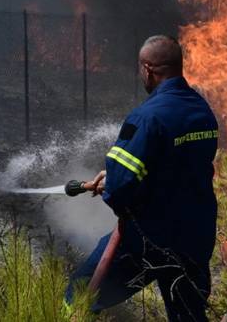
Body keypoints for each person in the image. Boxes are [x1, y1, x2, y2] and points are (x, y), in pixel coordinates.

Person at [66, 35, 219, 321]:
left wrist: (112, 186)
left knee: (79, 295)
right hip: (195, 236)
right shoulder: (202, 110)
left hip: (149, 240)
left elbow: (122, 185)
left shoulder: (147, 117)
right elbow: (178, 166)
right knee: (188, 316)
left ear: (148, 69)